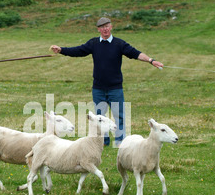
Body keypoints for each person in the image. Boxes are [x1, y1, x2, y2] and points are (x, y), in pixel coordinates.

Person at [50, 17, 164, 147]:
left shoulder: (119, 44)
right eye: (102, 27)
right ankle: (103, 141)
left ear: (111, 27)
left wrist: (151, 60)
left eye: (107, 26)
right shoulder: (93, 43)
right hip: (98, 88)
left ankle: (120, 142)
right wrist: (61, 50)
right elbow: (78, 51)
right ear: (98, 29)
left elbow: (135, 53)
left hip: (115, 88)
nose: (105, 29)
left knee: (119, 116)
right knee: (99, 117)